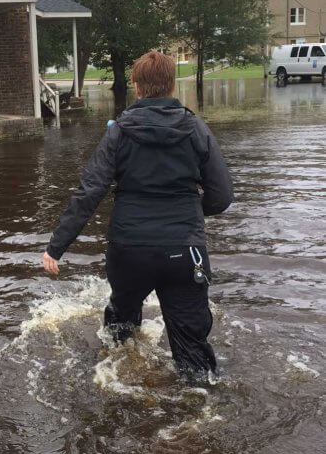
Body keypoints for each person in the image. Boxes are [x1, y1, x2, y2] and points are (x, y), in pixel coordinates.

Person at [42, 51, 233, 381]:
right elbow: (222, 196)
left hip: (129, 250)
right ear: (172, 84)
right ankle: (198, 413)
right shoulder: (196, 129)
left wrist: (56, 247)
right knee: (193, 354)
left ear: (136, 86)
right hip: (184, 250)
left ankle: (117, 389)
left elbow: (90, 191)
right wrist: (190, 213)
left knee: (120, 330)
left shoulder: (119, 132)